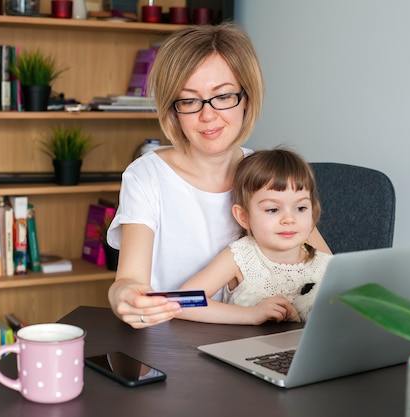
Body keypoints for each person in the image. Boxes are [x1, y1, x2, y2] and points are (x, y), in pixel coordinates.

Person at [107, 22, 331, 329]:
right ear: (173, 110)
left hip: (256, 343)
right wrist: (126, 295)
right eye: (189, 100)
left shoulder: (265, 174)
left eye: (223, 96)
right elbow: (130, 280)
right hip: (172, 343)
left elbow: (328, 270)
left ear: (246, 98)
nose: (208, 115)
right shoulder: (147, 176)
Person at [177, 149, 332, 323]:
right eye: (273, 209)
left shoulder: (324, 264)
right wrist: (251, 314)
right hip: (240, 347)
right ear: (244, 217)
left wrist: (297, 320)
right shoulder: (240, 257)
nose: (289, 219)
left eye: (301, 208)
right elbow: (183, 302)